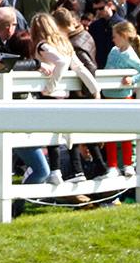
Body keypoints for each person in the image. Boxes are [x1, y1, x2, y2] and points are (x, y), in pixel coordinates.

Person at [30, 13, 101, 186]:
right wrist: (95, 89)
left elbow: (61, 63)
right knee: (68, 133)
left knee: (52, 135)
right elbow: (80, 68)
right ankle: (77, 171)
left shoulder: (42, 45)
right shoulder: (65, 43)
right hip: (65, 96)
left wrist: (51, 86)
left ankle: (56, 171)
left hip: (50, 95)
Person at [101, 21, 140, 178]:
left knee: (126, 133)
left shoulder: (130, 55)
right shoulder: (113, 51)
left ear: (123, 36)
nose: (113, 39)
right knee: (110, 133)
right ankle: (112, 166)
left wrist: (132, 79)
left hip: (123, 97)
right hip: (109, 96)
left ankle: (128, 164)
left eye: (115, 36)